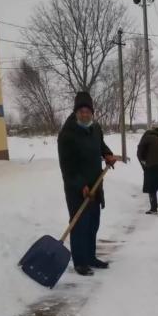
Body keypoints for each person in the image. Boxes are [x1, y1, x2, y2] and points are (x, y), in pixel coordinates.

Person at [58, 91, 117, 276]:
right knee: (79, 225)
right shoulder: (67, 134)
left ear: (92, 112)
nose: (85, 114)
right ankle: (80, 262)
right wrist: (80, 185)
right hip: (77, 188)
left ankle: (91, 257)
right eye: (81, 111)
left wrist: (107, 154)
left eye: (87, 111)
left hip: (95, 184)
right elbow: (67, 166)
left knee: (93, 224)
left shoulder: (95, 128)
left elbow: (101, 146)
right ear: (76, 112)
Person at [137, 127, 158, 214]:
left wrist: (144, 163)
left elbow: (139, 150)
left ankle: (153, 209)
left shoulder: (146, 138)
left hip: (152, 166)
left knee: (152, 188)